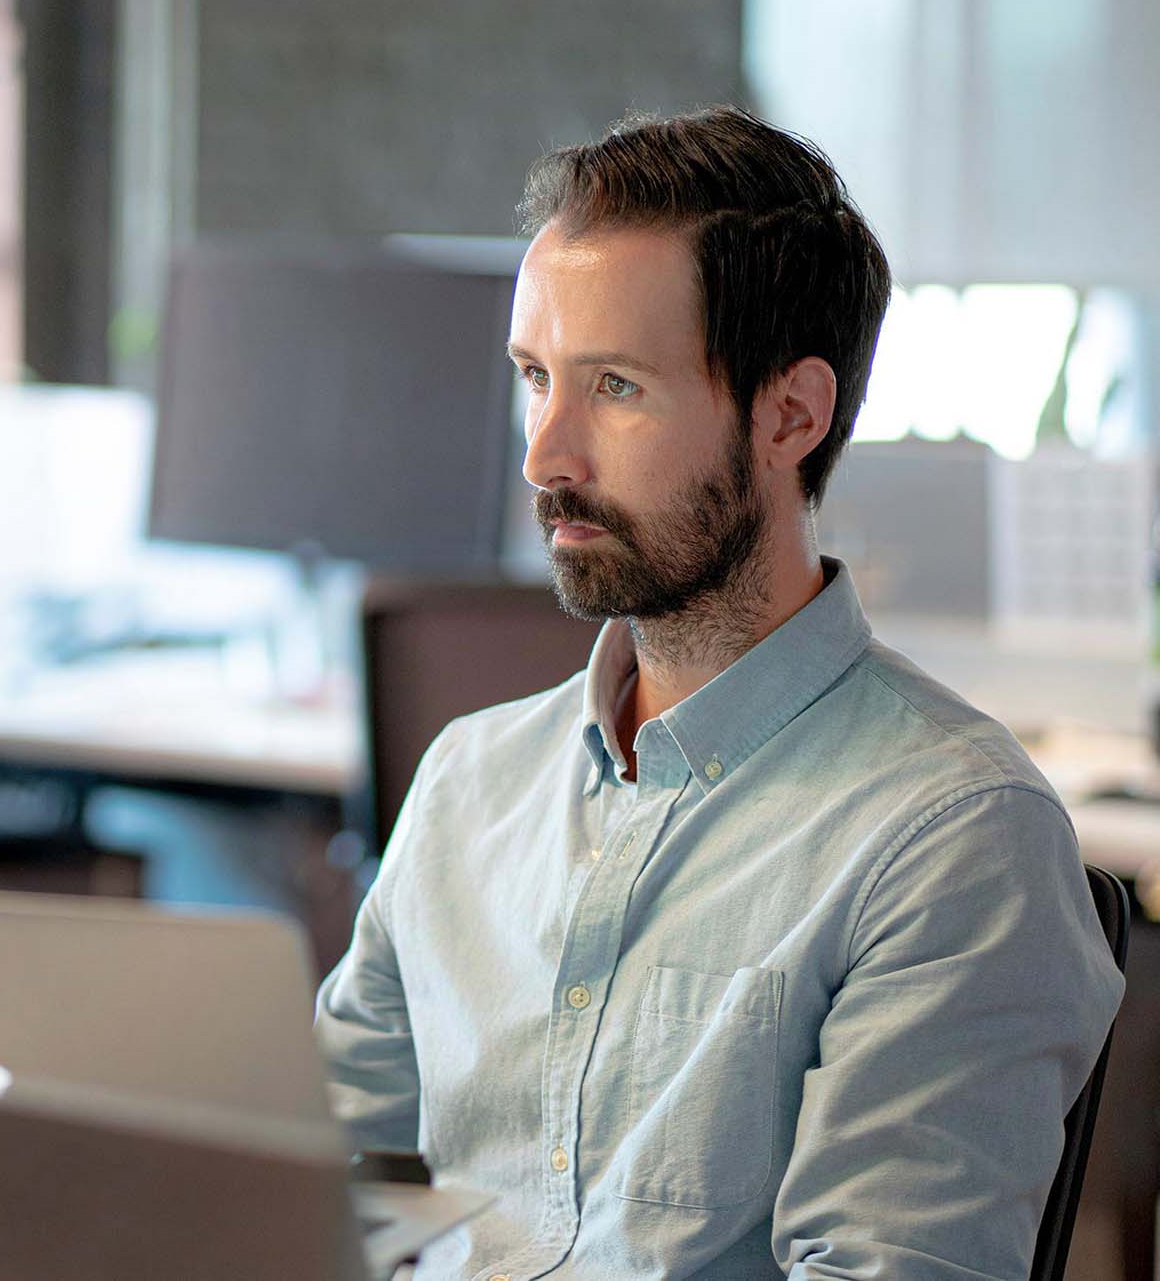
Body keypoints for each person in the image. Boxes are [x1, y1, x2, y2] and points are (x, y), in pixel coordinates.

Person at [314, 106, 1123, 1279]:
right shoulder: (468, 781)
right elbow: (312, 1172)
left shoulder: (950, 837)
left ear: (789, 414)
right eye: (535, 378)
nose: (546, 453)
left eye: (616, 388)